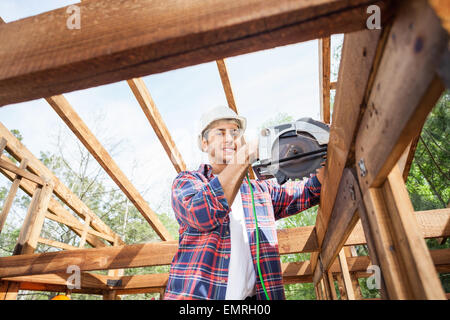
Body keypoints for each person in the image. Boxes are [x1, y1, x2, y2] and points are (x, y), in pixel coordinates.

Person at [164, 106, 324, 300]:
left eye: (235, 132)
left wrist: (321, 151)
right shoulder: (187, 182)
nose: (230, 138)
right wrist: (246, 155)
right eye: (220, 132)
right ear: (204, 143)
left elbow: (309, 192)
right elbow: (203, 214)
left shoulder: (261, 191)